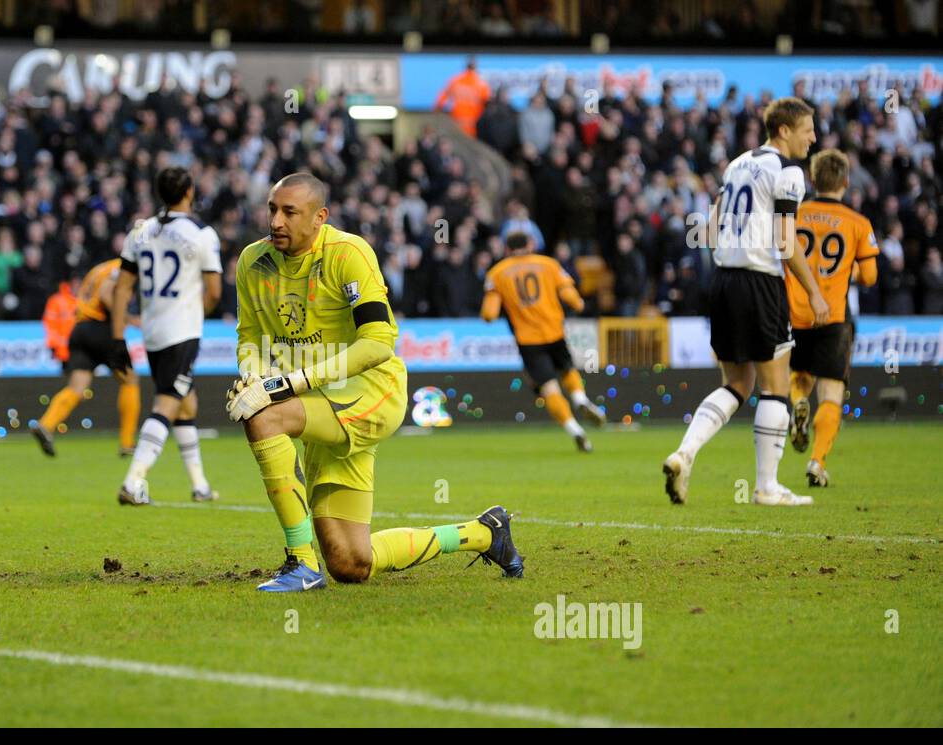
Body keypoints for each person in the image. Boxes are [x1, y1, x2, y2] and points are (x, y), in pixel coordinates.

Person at [227, 173, 522, 592]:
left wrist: (284, 385)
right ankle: (484, 533)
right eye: (272, 209)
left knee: (265, 418)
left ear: (319, 217)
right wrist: (253, 374)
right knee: (351, 563)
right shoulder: (252, 262)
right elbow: (249, 335)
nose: (276, 220)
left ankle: (300, 563)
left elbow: (379, 343)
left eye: (289, 212)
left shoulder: (348, 254)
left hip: (370, 392)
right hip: (318, 405)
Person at [663, 98, 830, 507]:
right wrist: (813, 291)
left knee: (736, 384)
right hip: (760, 281)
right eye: (808, 129)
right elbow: (785, 242)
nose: (814, 137)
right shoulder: (788, 171)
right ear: (784, 130)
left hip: (723, 280)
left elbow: (713, 228)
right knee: (775, 388)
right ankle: (767, 488)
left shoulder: (736, 164)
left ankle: (684, 454)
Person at [112, 167, 221, 505]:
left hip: (153, 332)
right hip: (183, 331)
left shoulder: (140, 232)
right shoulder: (202, 233)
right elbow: (214, 291)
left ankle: (200, 485)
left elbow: (122, 287)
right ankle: (133, 481)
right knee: (167, 404)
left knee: (186, 403)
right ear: (189, 191)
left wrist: (118, 338)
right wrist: (194, 313)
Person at [786, 149, 878, 488]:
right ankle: (816, 461)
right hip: (834, 316)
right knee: (831, 393)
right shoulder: (858, 223)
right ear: (845, 181)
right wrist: (847, 267)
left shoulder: (795, 215)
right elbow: (870, 277)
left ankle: (797, 405)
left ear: (812, 179)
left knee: (799, 377)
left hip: (796, 313)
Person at [482, 231, 605, 452]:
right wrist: (578, 304)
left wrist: (490, 314)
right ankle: (580, 398)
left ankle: (575, 430)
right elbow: (570, 297)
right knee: (567, 369)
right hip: (554, 330)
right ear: (530, 244)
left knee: (549, 388)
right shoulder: (549, 264)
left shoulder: (497, 272)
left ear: (507, 249)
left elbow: (490, 312)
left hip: (528, 340)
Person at [32, 260, 141, 458]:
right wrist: (128, 319)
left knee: (77, 387)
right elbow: (107, 293)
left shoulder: (100, 268)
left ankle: (46, 424)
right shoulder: (122, 267)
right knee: (129, 381)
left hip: (80, 329)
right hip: (103, 329)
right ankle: (127, 442)